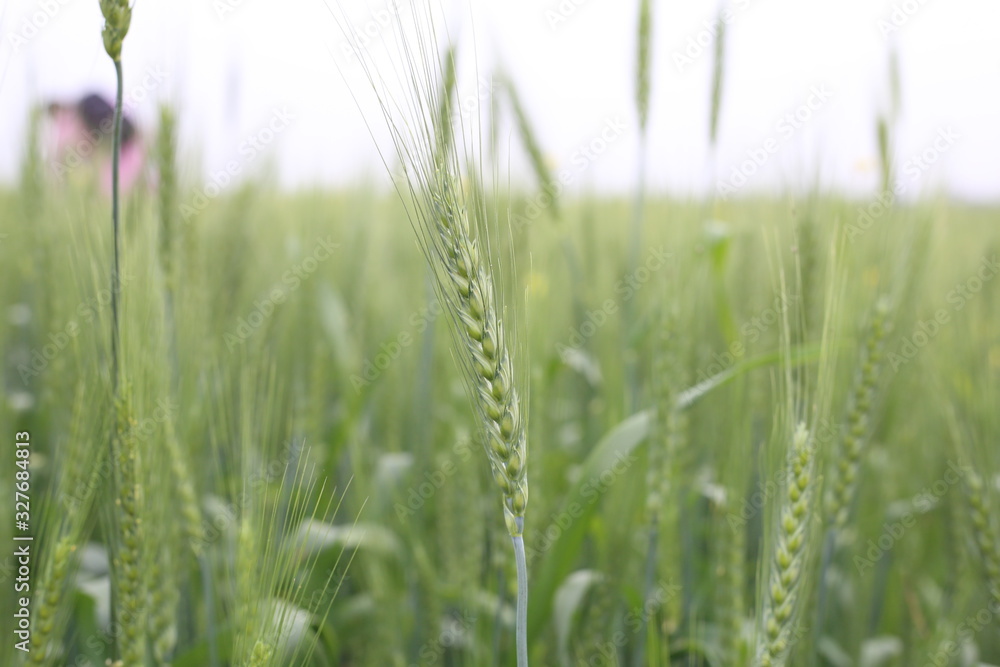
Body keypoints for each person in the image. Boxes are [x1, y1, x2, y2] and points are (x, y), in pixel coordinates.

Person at [45, 93, 145, 195]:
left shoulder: (78, 116)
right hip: (126, 142)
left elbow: (86, 144)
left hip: (122, 147)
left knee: (111, 189)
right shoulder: (86, 103)